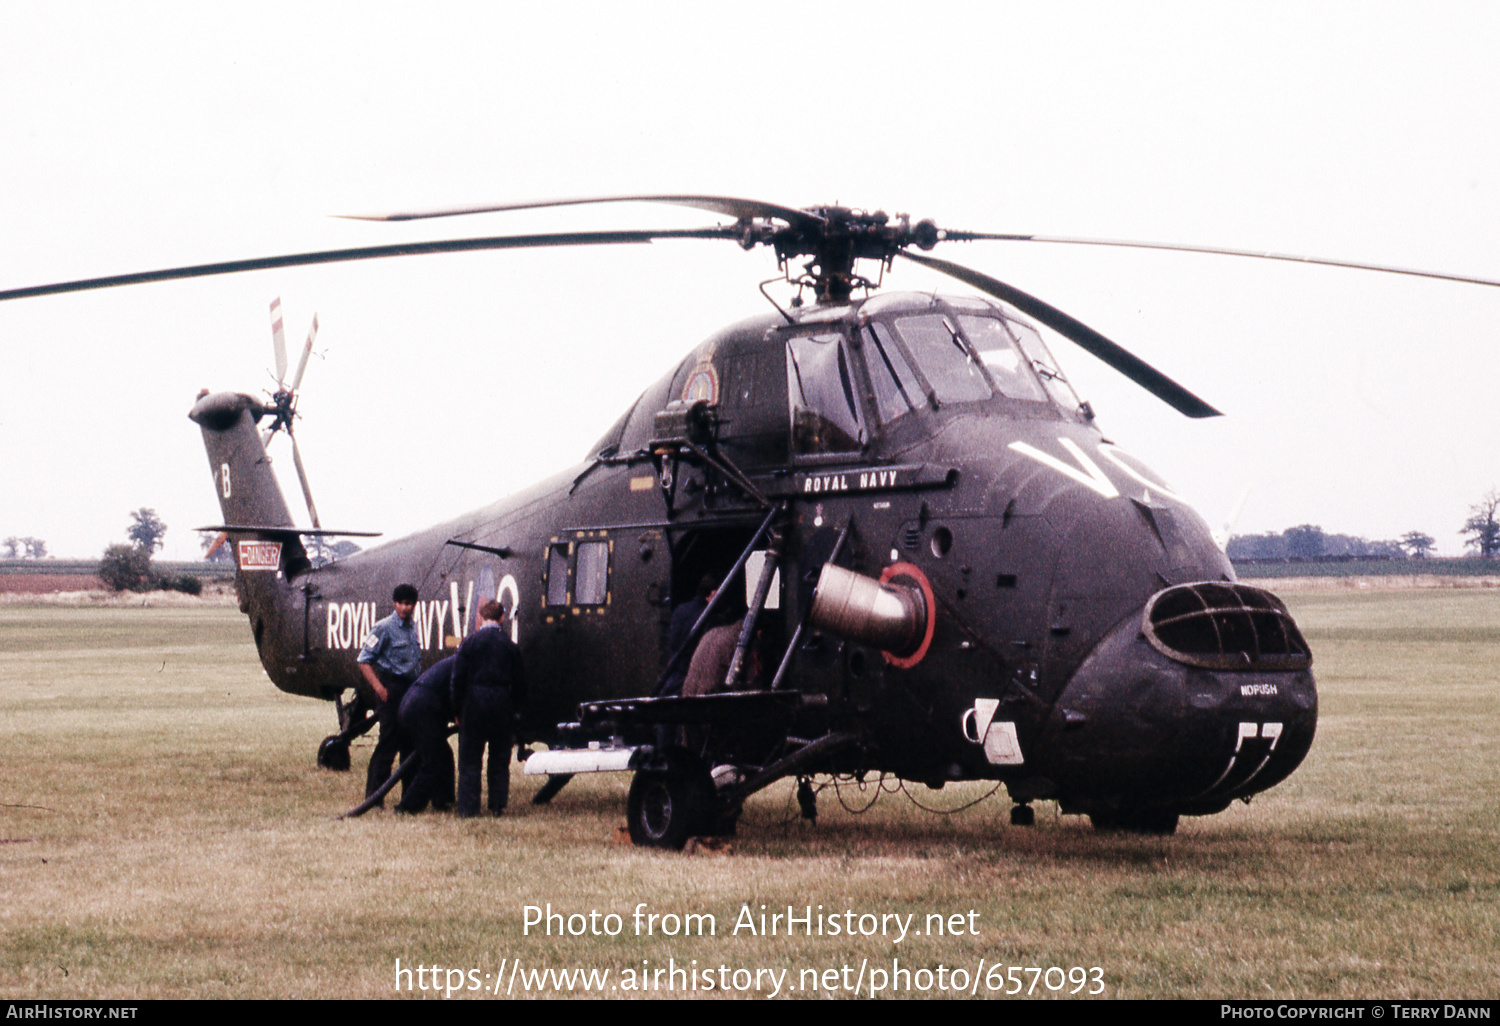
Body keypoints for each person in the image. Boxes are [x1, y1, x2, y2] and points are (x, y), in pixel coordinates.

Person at [451, 599, 526, 817]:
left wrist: (457, 709)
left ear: (481, 617)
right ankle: (497, 805)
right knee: (500, 759)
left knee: (470, 760)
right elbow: (521, 682)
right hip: (502, 704)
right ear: (502, 618)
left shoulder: (469, 643)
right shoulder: (510, 646)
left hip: (474, 704)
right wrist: (517, 710)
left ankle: (468, 808)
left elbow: (457, 679)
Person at [357, 583, 422, 804]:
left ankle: (408, 798)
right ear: (394, 603)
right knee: (388, 743)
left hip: (410, 689)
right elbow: (364, 660)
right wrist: (379, 688)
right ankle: (374, 797)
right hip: (391, 690)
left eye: (409, 604)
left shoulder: (412, 627)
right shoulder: (383, 627)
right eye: (402, 603)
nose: (405, 608)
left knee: (409, 743)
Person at [395, 654, 457, 814]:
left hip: (413, 703)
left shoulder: (456, 660)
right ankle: (407, 807)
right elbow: (456, 691)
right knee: (433, 761)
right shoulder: (465, 663)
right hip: (422, 708)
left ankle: (444, 801)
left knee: (443, 754)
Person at [658, 574, 716, 697]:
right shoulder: (709, 617)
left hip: (674, 673)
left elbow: (672, 643)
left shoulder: (680, 610)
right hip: (690, 672)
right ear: (712, 593)